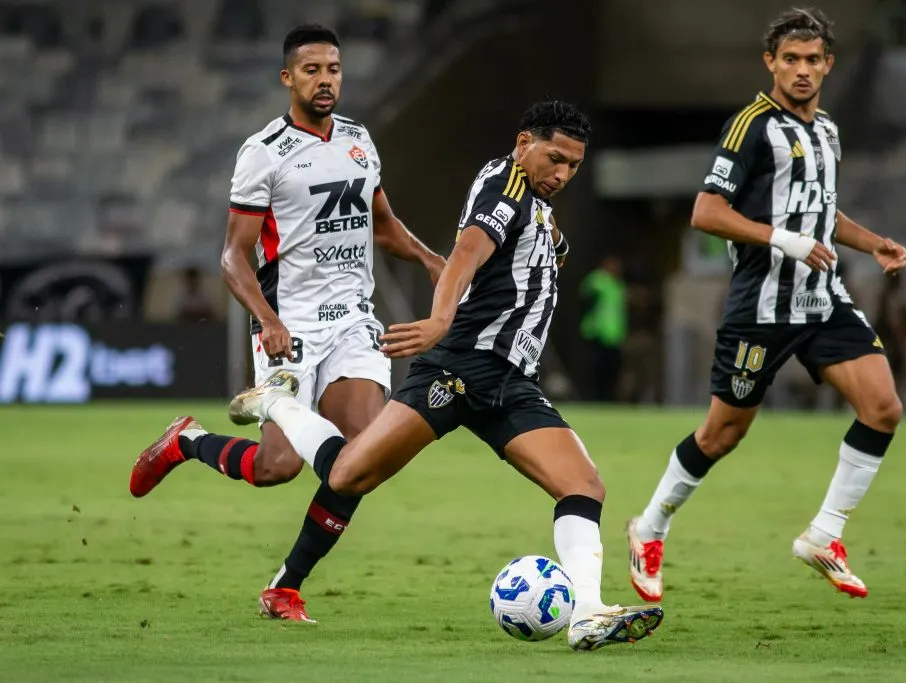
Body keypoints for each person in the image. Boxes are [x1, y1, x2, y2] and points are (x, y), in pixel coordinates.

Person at [223, 100, 664, 651]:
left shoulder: (536, 202)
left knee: (584, 485)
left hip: (511, 381)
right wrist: (439, 320)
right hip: (459, 368)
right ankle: (278, 405)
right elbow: (465, 253)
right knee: (347, 475)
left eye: (574, 165)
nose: (562, 174)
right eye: (555, 158)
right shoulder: (507, 188)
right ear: (524, 141)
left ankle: (589, 614)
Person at [129, 24, 445, 623]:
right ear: (287, 78)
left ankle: (285, 586)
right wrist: (267, 320)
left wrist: (431, 259)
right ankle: (188, 442)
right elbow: (232, 256)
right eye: (311, 70)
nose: (325, 80)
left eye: (333, 69)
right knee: (277, 469)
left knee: (365, 457)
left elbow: (381, 224)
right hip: (290, 325)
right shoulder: (264, 152)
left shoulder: (359, 140)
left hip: (353, 319)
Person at [625, 8, 906, 603]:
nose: (802, 71)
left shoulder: (827, 129)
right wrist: (785, 240)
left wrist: (871, 241)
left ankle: (825, 534)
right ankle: (649, 527)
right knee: (721, 435)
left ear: (828, 64)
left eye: (813, 60)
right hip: (761, 307)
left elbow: (819, 211)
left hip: (821, 300)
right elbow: (706, 212)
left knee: (883, 407)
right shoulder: (751, 126)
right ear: (770, 63)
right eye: (791, 60)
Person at [579, 255, 627, 401]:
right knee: (597, 368)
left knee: (613, 369)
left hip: (614, 334)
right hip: (597, 331)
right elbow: (586, 296)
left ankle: (608, 398)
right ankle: (595, 398)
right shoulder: (597, 280)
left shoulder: (617, 285)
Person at [874, 273, 906, 392]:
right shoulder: (885, 299)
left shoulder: (901, 301)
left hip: (896, 346)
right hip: (887, 344)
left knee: (896, 380)